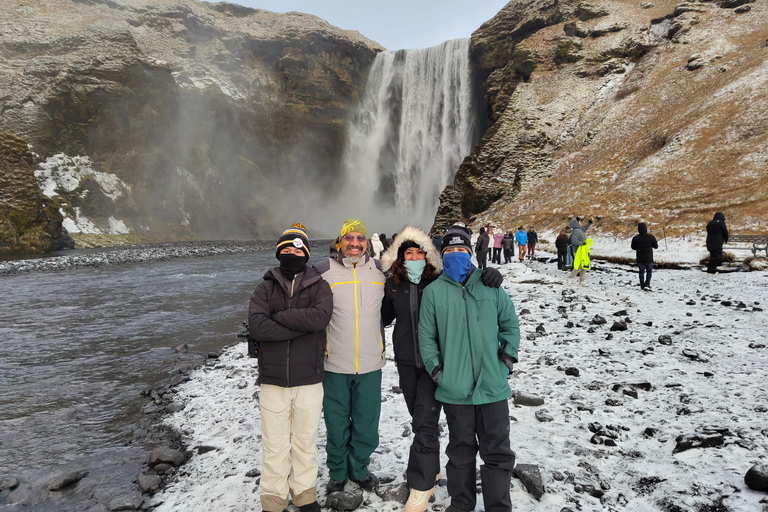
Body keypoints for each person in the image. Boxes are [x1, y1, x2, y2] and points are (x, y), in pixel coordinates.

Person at [381, 225, 504, 512]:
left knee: (426, 423)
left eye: (418, 253)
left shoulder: (440, 278)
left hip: (442, 363)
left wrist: (491, 273)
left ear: (428, 256)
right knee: (420, 419)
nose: (413, 258)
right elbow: (382, 318)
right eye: (407, 253)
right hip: (409, 362)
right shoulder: (393, 284)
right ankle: (433, 467)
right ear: (400, 258)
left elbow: (467, 282)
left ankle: (421, 485)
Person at [418, 225, 520, 512]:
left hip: (493, 386)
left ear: (471, 253)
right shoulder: (434, 292)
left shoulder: (490, 285)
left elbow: (510, 324)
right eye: (449, 251)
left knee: (498, 452)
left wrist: (507, 360)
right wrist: (439, 372)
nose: (456, 255)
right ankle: (461, 505)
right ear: (442, 255)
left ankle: (498, 507)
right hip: (455, 389)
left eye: (461, 250)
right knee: (460, 453)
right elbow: (426, 337)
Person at [248, 223, 334, 512]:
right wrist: (301, 326)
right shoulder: (265, 286)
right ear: (278, 252)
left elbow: (320, 319)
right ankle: (273, 498)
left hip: (309, 378)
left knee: (305, 443)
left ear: (306, 253)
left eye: (297, 248)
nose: (291, 252)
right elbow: (257, 326)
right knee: (274, 445)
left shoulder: (320, 285)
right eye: (286, 248)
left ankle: (305, 495)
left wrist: (280, 317)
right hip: (272, 379)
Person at [314, 219, 385, 494]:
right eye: (348, 238)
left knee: (367, 423)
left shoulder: (381, 272)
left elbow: (421, 279)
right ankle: (338, 472)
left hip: (370, 362)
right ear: (339, 242)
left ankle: (360, 468)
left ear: (367, 243)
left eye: (360, 238)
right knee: (336, 422)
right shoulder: (321, 272)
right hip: (333, 363)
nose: (354, 243)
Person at [567, 216, 594, 286]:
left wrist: (590, 222)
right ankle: (570, 277)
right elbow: (574, 240)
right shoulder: (576, 231)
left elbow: (585, 228)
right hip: (578, 251)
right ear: (576, 223)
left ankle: (582, 282)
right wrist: (582, 243)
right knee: (580, 266)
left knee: (584, 265)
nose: (581, 223)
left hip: (583, 250)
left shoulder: (579, 230)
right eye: (579, 222)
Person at [631, 222, 659, 291]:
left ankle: (642, 285)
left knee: (641, 271)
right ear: (646, 228)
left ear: (638, 229)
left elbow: (633, 247)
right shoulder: (651, 237)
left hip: (640, 258)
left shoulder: (635, 238)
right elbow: (656, 246)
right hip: (649, 257)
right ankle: (647, 284)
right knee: (649, 271)